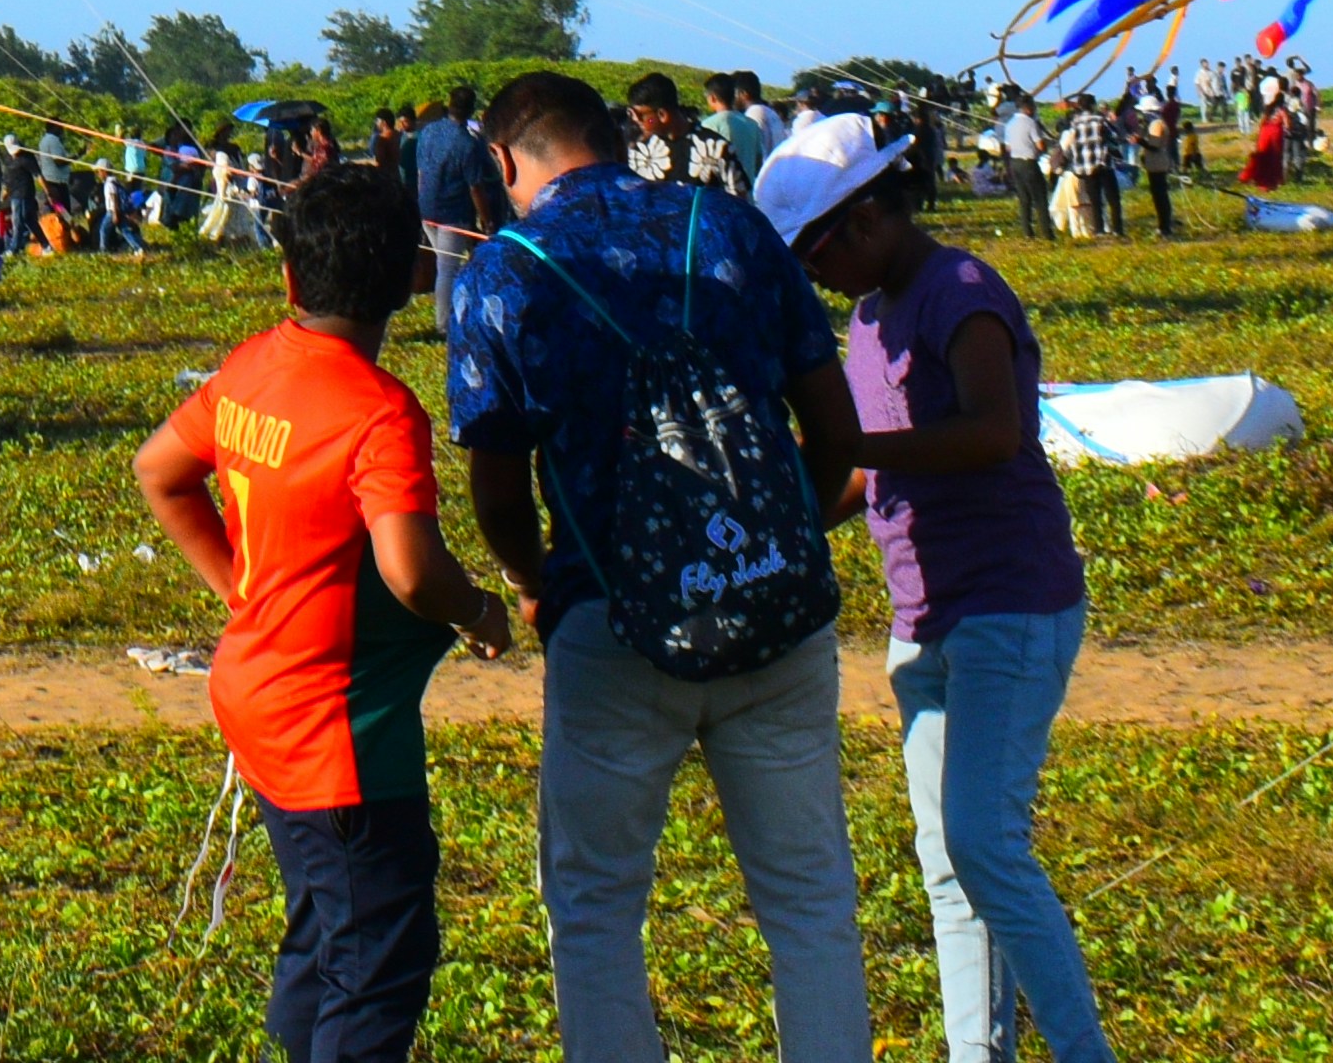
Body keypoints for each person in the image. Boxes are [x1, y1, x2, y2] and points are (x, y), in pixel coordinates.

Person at [444, 72, 867, 1063]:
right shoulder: (728, 226)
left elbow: (499, 488)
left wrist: (533, 578)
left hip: (612, 622)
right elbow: (836, 431)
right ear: (613, 134)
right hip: (778, 612)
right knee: (808, 897)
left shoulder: (502, 274)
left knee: (595, 907)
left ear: (507, 162)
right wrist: (779, 538)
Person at [130, 161, 509, 1063]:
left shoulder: (252, 363)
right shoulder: (380, 413)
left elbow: (159, 469)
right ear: (415, 280)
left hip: (255, 695)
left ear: (291, 276)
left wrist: (238, 588)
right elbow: (411, 569)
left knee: (324, 933)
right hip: (336, 734)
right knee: (378, 959)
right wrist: (481, 609)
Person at [763, 115, 1113, 1063]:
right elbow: (859, 475)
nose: (814, 275)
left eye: (814, 253)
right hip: (925, 610)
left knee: (988, 847)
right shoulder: (871, 317)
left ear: (868, 216)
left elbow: (995, 431)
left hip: (1009, 600)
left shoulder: (959, 291)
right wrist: (777, 518)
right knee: (948, 866)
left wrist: (849, 450)